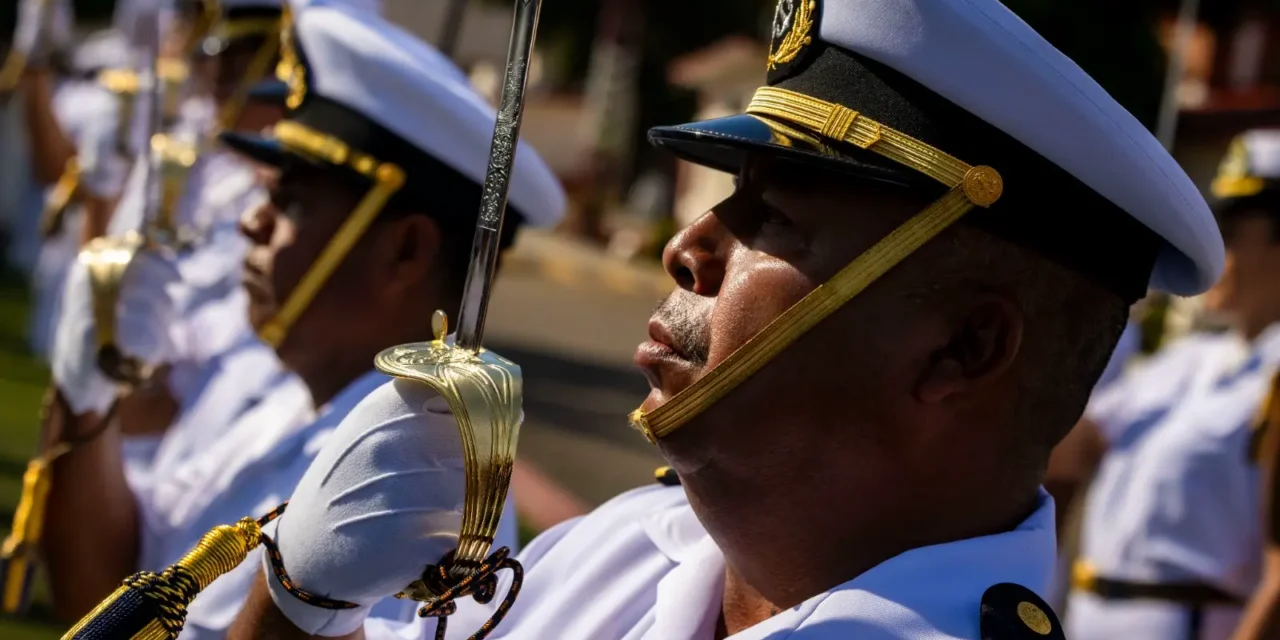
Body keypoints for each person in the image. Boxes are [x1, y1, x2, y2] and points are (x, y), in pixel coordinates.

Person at [223, 0, 1224, 639]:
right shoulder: (619, 551)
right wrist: (298, 603)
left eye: (773, 219)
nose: (685, 249)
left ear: (962, 348)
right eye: (723, 199)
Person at [41, 0, 564, 636]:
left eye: (291, 201)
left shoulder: (421, 485)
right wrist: (84, 399)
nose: (251, 222)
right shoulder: (275, 395)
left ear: (405, 250)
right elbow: (104, 591)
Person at [1049, 129, 1280, 640]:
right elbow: (1058, 453)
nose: (1213, 253)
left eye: (1233, 231)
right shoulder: (1185, 361)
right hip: (1089, 615)